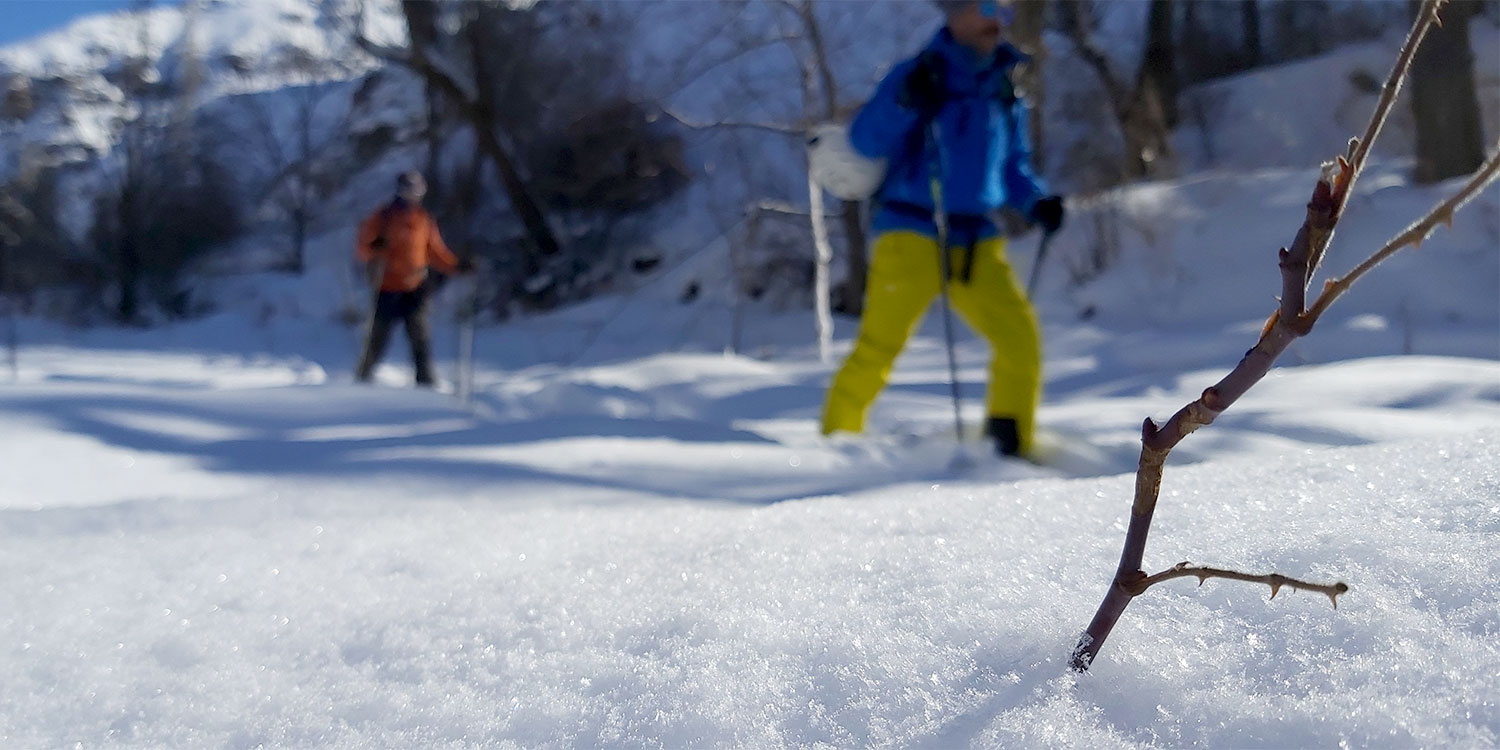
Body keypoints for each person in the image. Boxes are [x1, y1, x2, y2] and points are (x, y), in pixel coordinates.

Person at [819, 0, 1065, 458]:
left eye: (1007, 11)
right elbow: (864, 139)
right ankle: (836, 447)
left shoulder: (1004, 84)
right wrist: (906, 100)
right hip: (911, 227)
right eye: (990, 7)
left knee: (1019, 340)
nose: (999, 20)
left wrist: (1037, 201)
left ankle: (1008, 450)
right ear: (957, 12)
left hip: (977, 236)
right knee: (880, 346)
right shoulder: (916, 74)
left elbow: (1013, 166)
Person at [354, 170, 471, 387]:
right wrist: (374, 247)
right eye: (408, 190)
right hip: (387, 286)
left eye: (417, 190)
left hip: (415, 287)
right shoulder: (383, 217)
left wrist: (457, 266)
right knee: (378, 339)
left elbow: (435, 251)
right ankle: (363, 379)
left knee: (420, 337)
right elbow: (363, 247)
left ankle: (426, 381)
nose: (412, 195)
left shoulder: (423, 219)